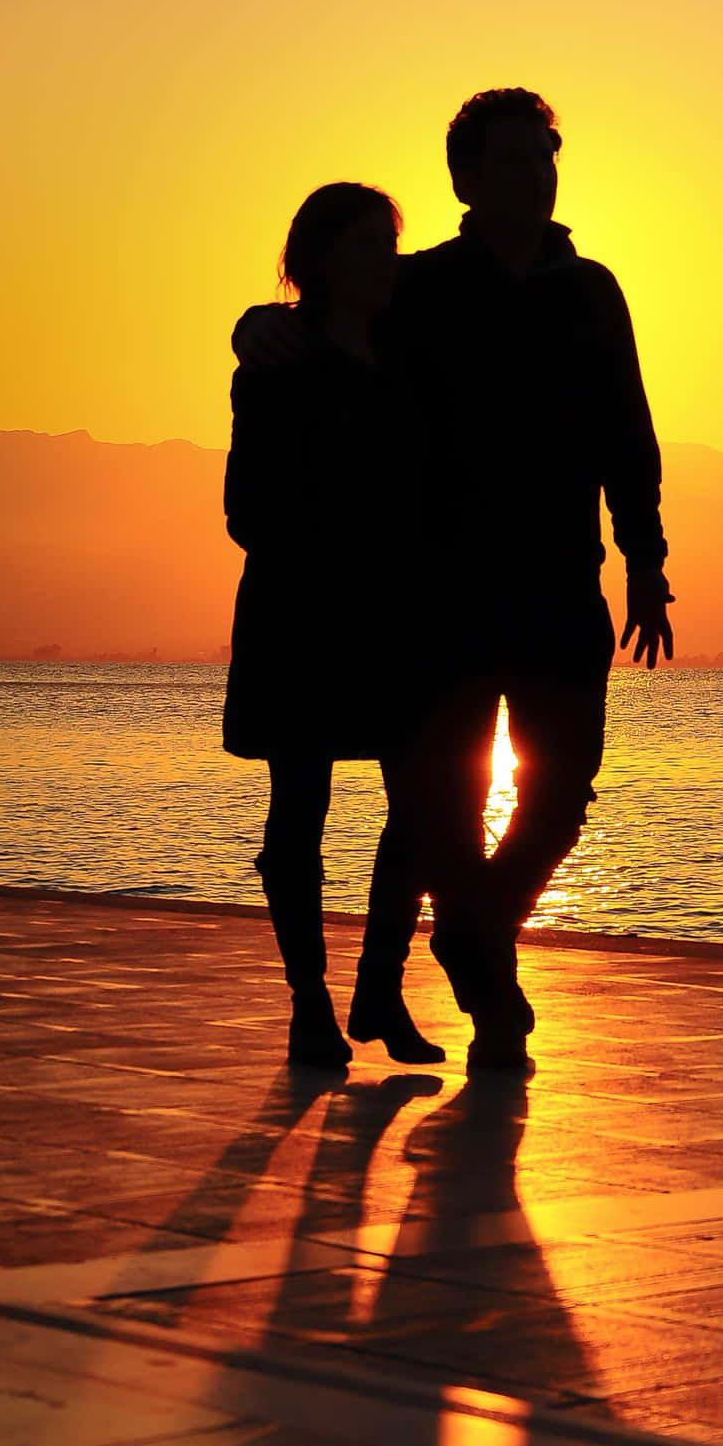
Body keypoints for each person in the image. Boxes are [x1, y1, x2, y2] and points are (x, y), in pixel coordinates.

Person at [234, 89, 674, 1070]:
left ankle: (475, 931)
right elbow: (324, 323)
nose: (536, 171)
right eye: (513, 159)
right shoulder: (421, 289)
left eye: (545, 154)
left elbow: (627, 435)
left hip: (566, 584)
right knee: (445, 802)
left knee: (562, 794)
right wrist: (249, 323)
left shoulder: (592, 291)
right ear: (466, 179)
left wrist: (648, 562)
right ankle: (489, 995)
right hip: (445, 597)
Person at [223, 181, 449, 1070]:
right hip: (300, 611)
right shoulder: (277, 361)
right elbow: (246, 507)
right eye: (362, 245)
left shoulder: (409, 352)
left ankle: (380, 986)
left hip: (398, 615)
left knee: (424, 802)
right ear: (318, 260)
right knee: (298, 812)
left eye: (387, 242)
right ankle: (308, 1001)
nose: (382, 260)